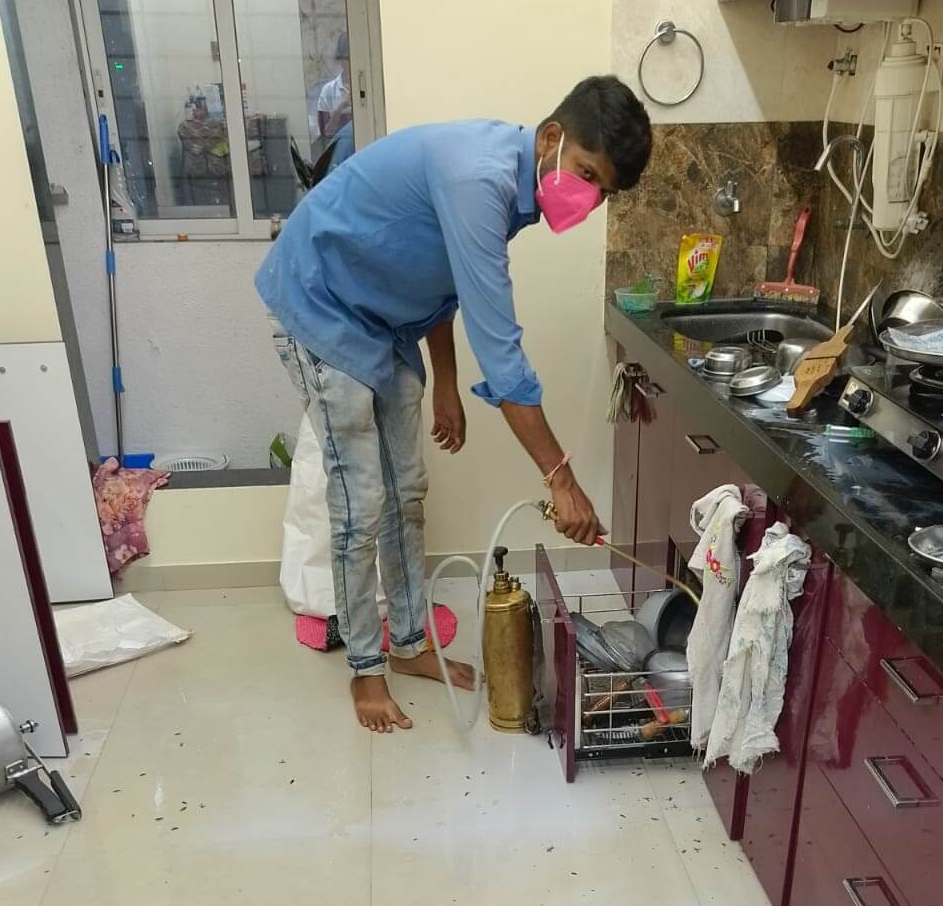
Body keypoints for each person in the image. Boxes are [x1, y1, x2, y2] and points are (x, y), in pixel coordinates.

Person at [257, 75, 653, 732]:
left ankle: (409, 642)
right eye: (587, 174)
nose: (589, 198)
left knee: (406, 490)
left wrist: (445, 379)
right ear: (551, 138)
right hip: (321, 298)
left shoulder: (512, 185)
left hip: (382, 316)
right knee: (362, 498)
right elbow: (504, 360)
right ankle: (365, 670)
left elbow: (440, 272)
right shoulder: (479, 179)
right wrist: (561, 481)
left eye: (602, 191)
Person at [316, 32, 352, 139]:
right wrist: (340, 108)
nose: (351, 62)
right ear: (340, 58)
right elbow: (325, 133)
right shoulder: (328, 90)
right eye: (347, 58)